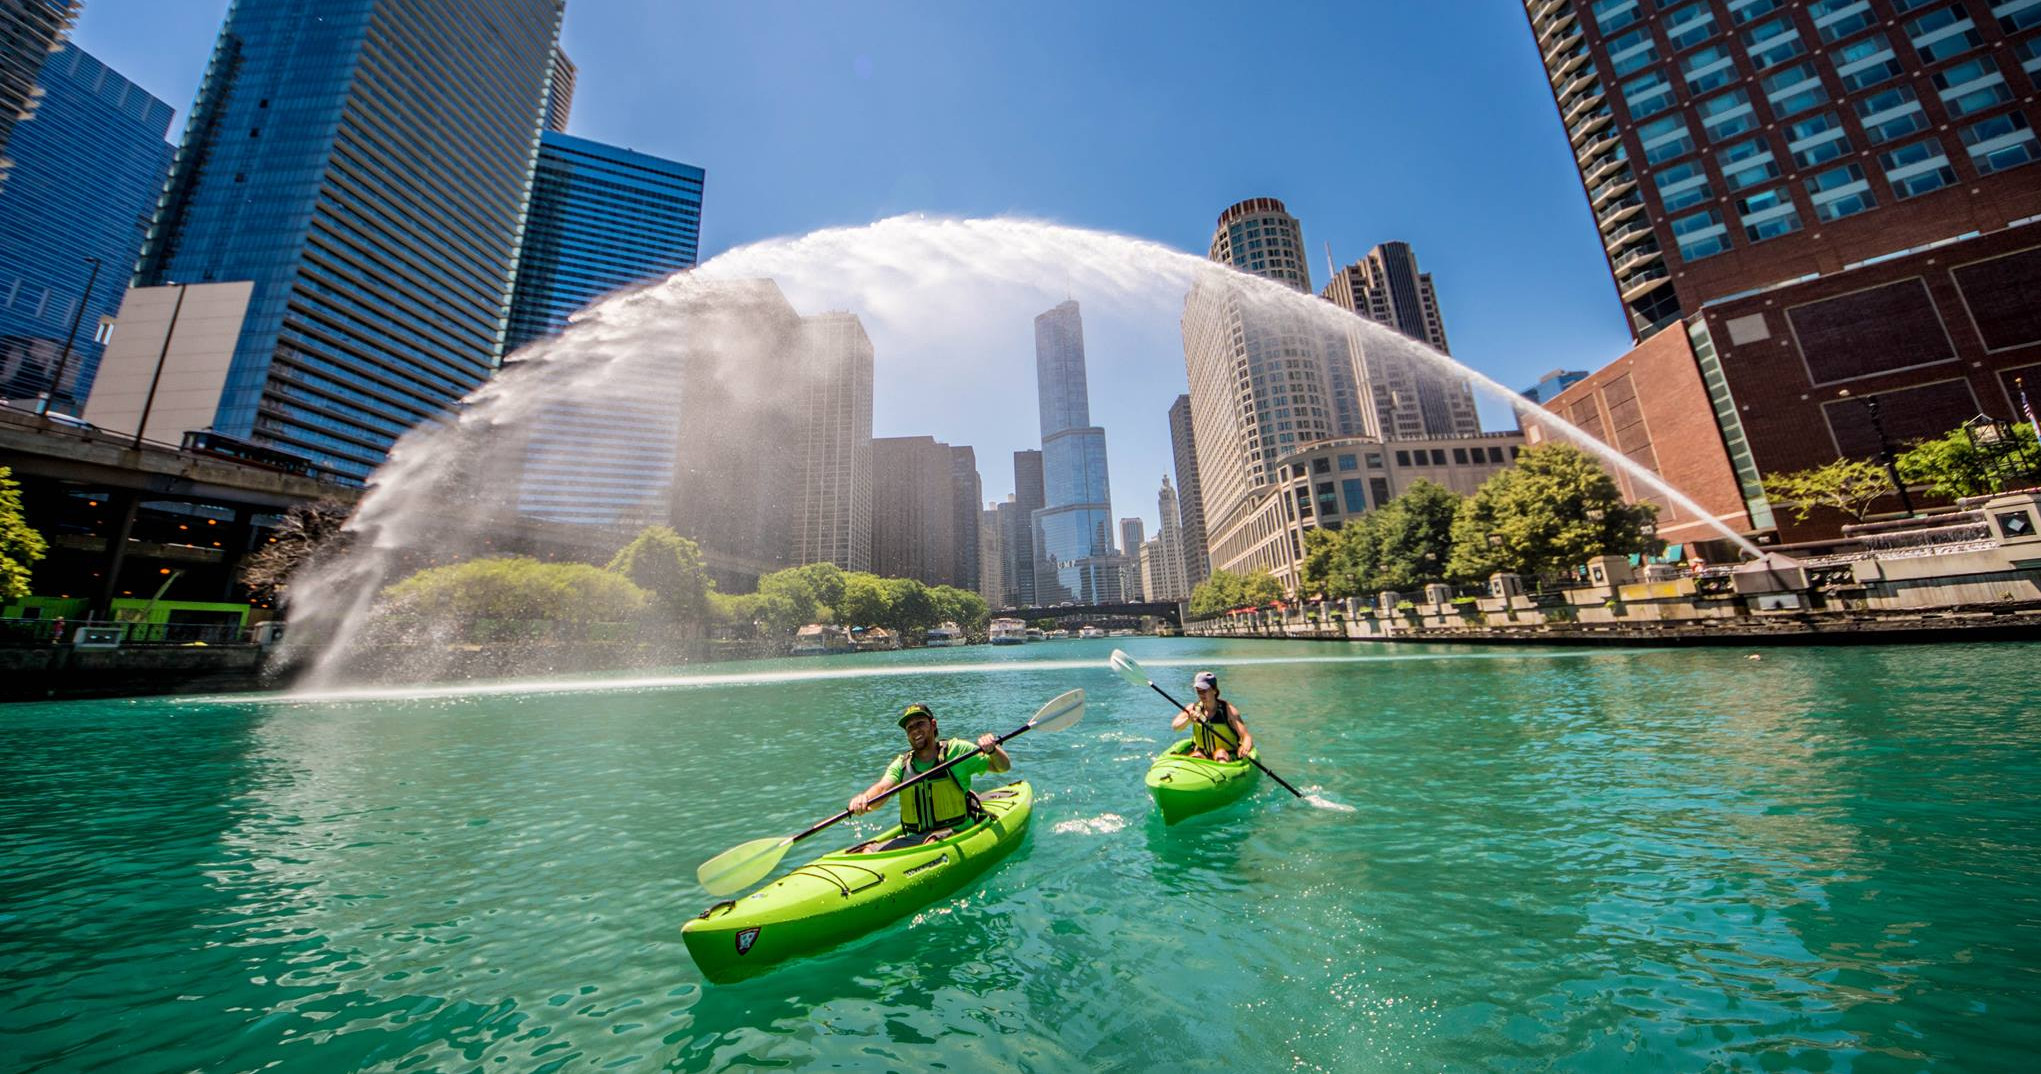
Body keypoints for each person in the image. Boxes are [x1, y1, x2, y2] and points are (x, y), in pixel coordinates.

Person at [846, 703, 1011, 851]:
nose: (915, 731)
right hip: (916, 838)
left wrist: (992, 750)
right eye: (910, 728)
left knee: (931, 842)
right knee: (866, 851)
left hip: (955, 832)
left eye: (920, 724)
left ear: (933, 725)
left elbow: (1002, 767)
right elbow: (882, 788)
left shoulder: (957, 751)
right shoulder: (902, 765)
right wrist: (865, 799)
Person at [1175, 670, 1254, 762]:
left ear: (1214, 690)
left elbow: (1246, 737)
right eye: (1198, 691)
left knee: (1220, 753)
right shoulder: (1193, 708)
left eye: (1204, 690)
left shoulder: (1229, 710)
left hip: (1226, 755)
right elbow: (1176, 726)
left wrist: (1245, 747)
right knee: (1196, 754)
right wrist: (1189, 719)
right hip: (1203, 754)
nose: (1201, 694)